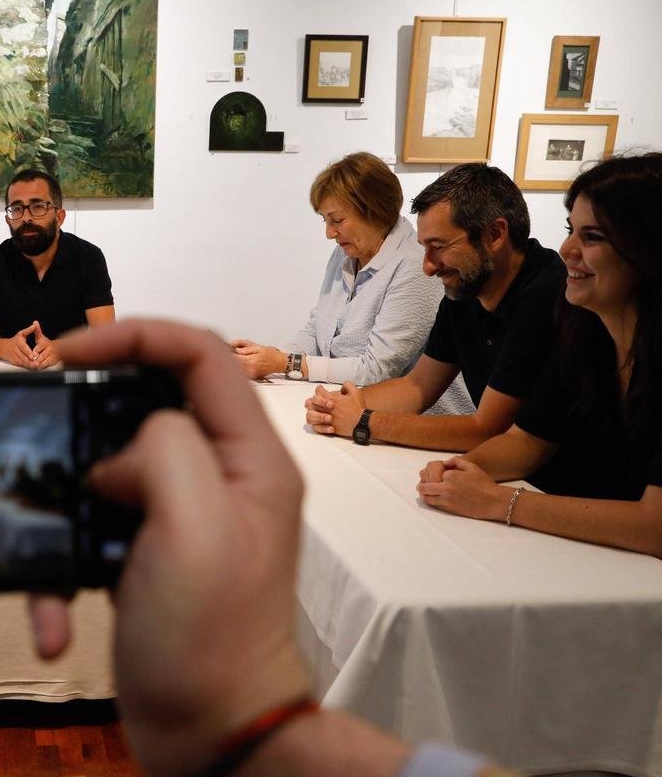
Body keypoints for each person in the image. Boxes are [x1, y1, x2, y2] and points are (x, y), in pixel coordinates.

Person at [31, 319, 508, 776]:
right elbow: (392, 372)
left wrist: (348, 406)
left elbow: (392, 374)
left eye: (584, 233)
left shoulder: (529, 298)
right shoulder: (402, 283)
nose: (428, 263)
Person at [417, 153, 662, 558]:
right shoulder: (584, 327)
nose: (567, 249)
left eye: (592, 237)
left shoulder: (550, 304)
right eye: (571, 230)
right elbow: (527, 439)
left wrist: (502, 503)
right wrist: (461, 469)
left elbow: (654, 526)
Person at [305, 163, 567, 453]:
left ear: (494, 235)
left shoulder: (545, 297)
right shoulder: (468, 287)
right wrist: (333, 405)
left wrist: (365, 420)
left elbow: (489, 428)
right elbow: (417, 386)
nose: (427, 267)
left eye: (438, 247)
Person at [232, 153, 469, 417]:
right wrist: (267, 358)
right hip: (357, 408)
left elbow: (376, 370)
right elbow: (318, 328)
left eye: (337, 220)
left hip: (421, 424)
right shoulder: (346, 254)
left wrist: (287, 363)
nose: (329, 233)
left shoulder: (413, 266)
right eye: (326, 221)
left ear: (374, 211)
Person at [0, 169, 114, 370]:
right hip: (14, 377)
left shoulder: (88, 257)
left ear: (60, 216)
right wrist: (4, 347)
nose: (26, 218)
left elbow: (109, 340)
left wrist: (62, 348)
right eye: (17, 208)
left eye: (38, 207)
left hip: (71, 376)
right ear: (8, 219)